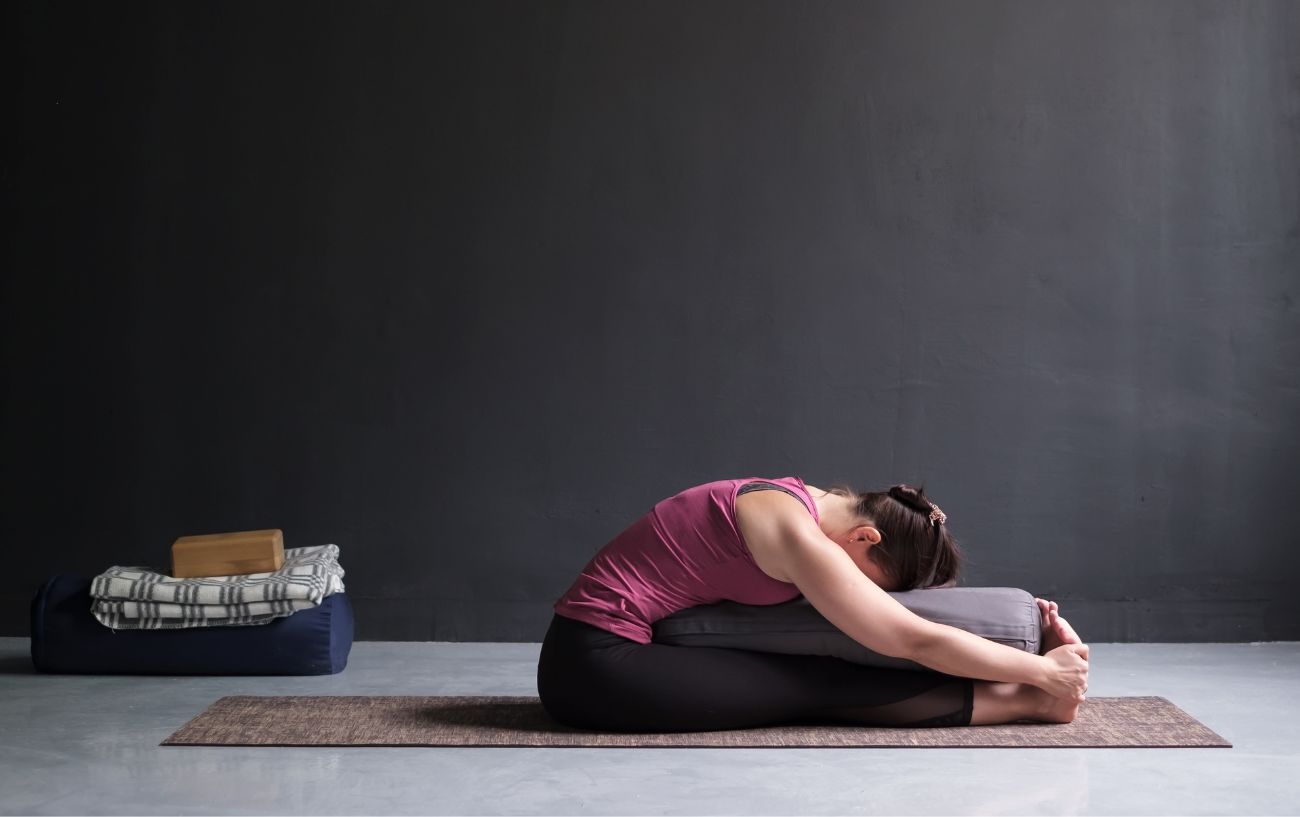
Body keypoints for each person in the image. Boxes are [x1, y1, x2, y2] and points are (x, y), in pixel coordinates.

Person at [536, 476, 1089, 732]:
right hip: (592, 667)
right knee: (815, 682)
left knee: (816, 669)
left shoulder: (797, 498)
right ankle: (1031, 703)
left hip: (615, 650)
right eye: (875, 583)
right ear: (866, 538)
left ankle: (1025, 696)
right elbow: (910, 636)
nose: (865, 591)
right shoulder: (795, 534)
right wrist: (1043, 672)